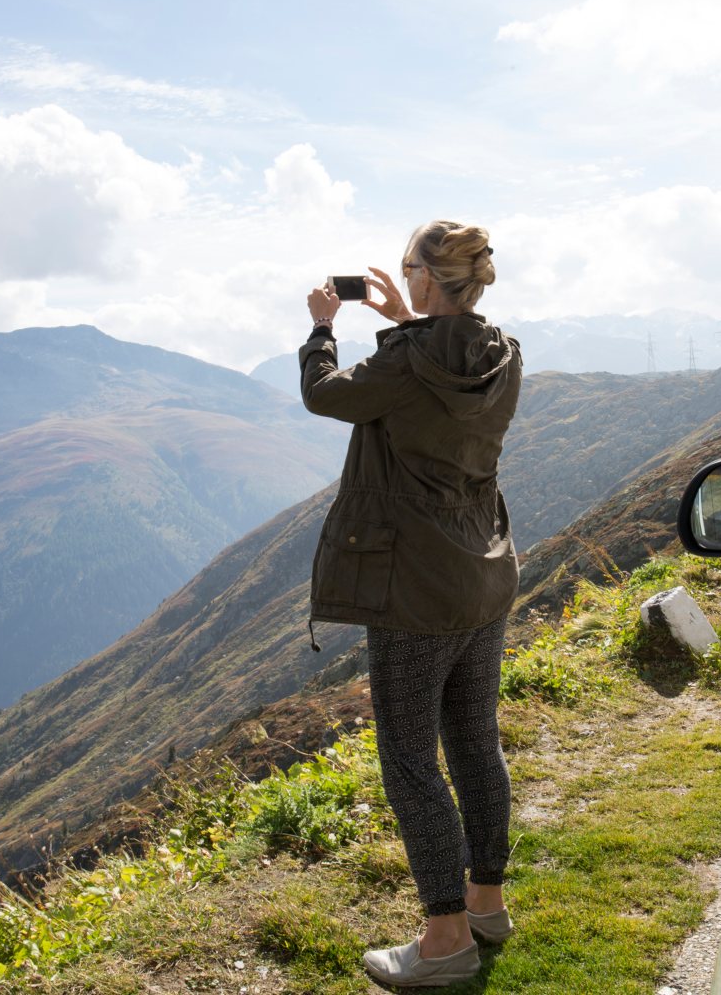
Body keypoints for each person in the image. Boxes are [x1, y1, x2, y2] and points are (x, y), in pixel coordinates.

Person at [299, 219, 522, 987]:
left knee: (408, 759)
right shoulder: (502, 355)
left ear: (428, 278)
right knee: (473, 739)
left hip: (416, 590)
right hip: (484, 573)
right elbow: (441, 379)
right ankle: (485, 901)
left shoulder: (403, 364)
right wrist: (406, 321)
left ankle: (445, 940)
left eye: (405, 267)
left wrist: (323, 329)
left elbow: (325, 396)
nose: (400, 277)